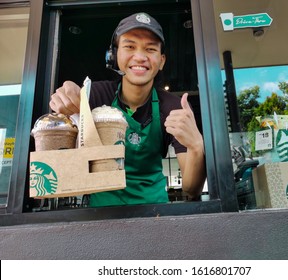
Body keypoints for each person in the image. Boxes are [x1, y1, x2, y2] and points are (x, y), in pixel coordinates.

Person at [49, 12, 206, 207]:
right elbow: (61, 164)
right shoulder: (96, 95)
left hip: (156, 215)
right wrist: (66, 102)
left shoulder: (173, 106)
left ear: (162, 61)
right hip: (100, 217)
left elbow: (192, 189)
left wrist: (196, 146)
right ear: (114, 55)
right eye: (130, 47)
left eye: (150, 49)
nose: (140, 57)